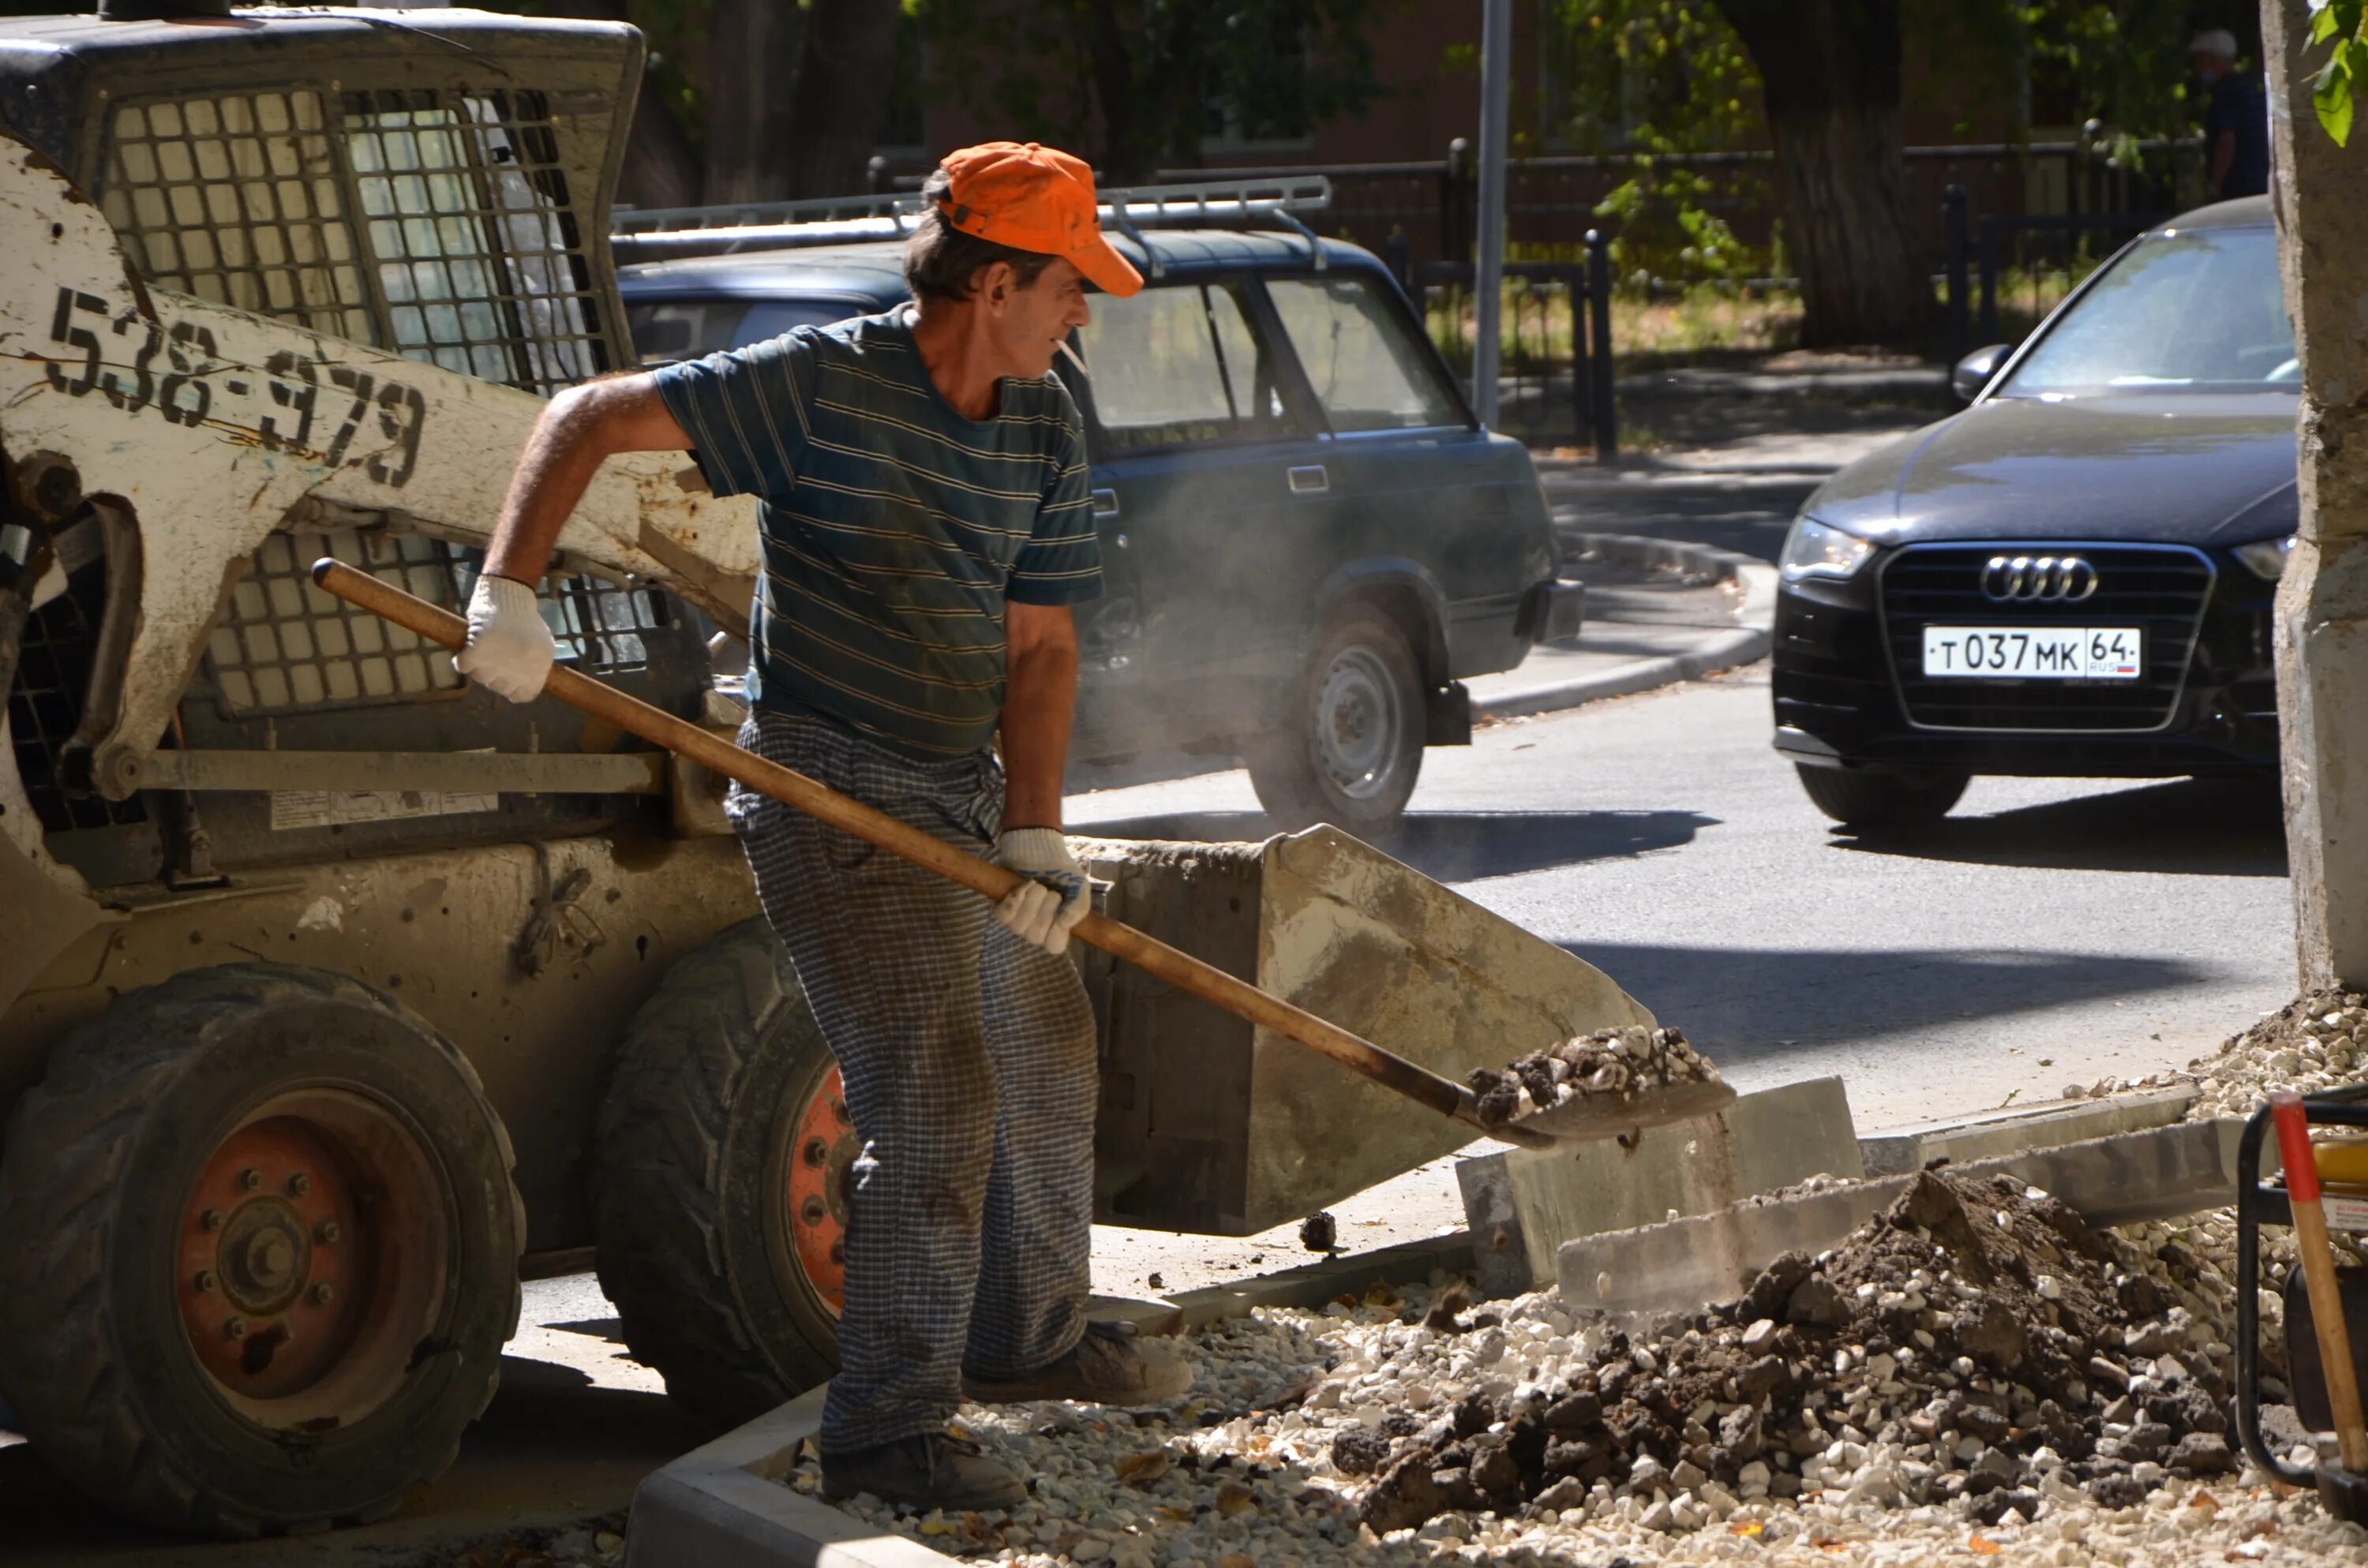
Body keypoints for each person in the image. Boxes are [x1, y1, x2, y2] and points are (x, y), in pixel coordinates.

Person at [450, 140, 1191, 1511]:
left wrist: (1036, 837)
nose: (1085, 309)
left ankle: (1023, 1345)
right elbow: (586, 416)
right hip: (825, 788)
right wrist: (508, 589)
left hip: (958, 790)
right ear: (992, 280)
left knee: (1048, 1045)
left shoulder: (1038, 417)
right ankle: (886, 1433)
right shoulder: (821, 384)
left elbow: (1039, 654)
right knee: (937, 1088)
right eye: (1068, 285)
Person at [2192, 28, 2270, 201]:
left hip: (2238, 185)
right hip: (2259, 180)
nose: (2199, 67)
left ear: (2214, 60)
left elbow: (2226, 140)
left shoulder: (2225, 92)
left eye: (2202, 60)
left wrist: (2216, 183)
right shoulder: (2247, 86)